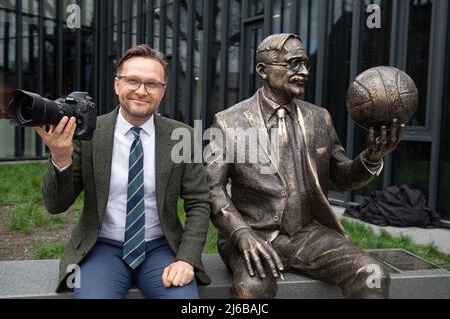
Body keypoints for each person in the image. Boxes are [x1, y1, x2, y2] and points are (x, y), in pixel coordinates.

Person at [206, 33, 404, 298]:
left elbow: (342, 176)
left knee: (373, 276)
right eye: (294, 63)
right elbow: (212, 188)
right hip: (253, 235)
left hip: (308, 234)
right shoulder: (229, 122)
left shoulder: (319, 118)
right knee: (250, 290)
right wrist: (241, 234)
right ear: (262, 70)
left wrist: (371, 158)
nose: (304, 71)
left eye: (306, 64)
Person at [34, 44, 211, 299]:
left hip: (161, 248)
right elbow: (55, 205)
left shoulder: (182, 136)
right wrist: (60, 156)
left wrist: (186, 259)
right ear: (118, 85)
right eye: (132, 81)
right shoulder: (89, 133)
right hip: (101, 248)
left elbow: (199, 203)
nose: (141, 91)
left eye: (152, 84)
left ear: (162, 91)